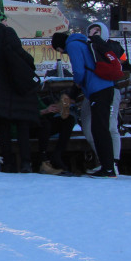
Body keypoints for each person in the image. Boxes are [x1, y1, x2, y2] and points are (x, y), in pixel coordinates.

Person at [0, 20, 40, 173]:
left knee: (3, 130)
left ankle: (8, 164)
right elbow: (21, 55)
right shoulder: (7, 32)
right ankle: (25, 163)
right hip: (18, 86)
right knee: (22, 127)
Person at [52, 30, 118, 177]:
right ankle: (107, 167)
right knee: (99, 128)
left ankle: (108, 168)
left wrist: (74, 91)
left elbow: (79, 72)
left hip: (98, 88)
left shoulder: (73, 45)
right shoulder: (82, 41)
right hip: (105, 86)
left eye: (59, 50)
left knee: (100, 129)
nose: (62, 53)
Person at [79, 21, 122, 167]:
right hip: (92, 90)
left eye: (97, 31)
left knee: (110, 126)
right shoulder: (88, 47)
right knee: (90, 126)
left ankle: (113, 162)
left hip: (111, 89)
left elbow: (119, 61)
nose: (93, 34)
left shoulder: (113, 46)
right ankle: (105, 159)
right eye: (91, 31)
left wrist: (97, 40)